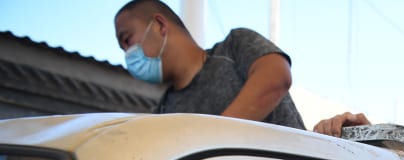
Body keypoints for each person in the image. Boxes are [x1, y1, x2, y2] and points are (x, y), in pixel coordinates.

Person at [114, 0, 305, 129]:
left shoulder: (234, 46)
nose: (127, 54)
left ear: (159, 25)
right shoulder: (164, 111)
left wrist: (210, 139)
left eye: (127, 40)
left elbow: (275, 77)